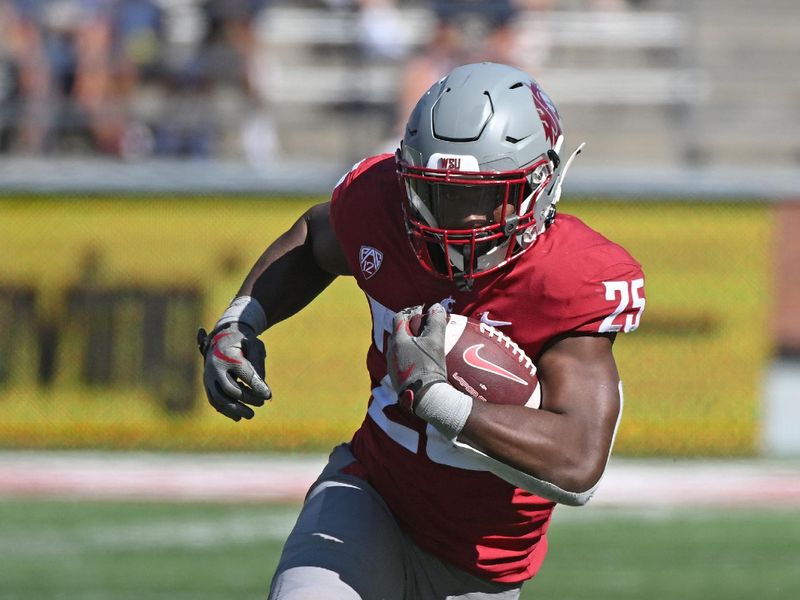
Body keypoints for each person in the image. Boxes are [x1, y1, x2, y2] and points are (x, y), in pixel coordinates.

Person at [198, 62, 645, 599]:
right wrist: (241, 319)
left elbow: (578, 461)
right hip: (371, 495)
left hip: (483, 564)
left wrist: (439, 400)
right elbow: (318, 238)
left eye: (477, 199)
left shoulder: (567, 276)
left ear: (539, 184)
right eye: (433, 193)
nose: (448, 220)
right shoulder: (383, 204)